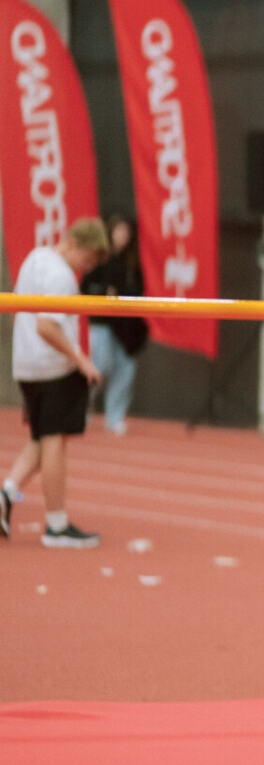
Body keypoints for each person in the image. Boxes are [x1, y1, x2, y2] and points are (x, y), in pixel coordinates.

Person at [1, 218, 109, 547]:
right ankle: (56, 524)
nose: (86, 269)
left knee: (41, 436)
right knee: (53, 441)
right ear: (74, 244)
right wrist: (80, 359)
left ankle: (6, 493)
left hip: (26, 365)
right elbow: (47, 327)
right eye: (87, 260)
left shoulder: (35, 258)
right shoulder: (61, 276)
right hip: (51, 368)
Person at [80, 216, 149, 436]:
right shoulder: (100, 260)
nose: (122, 236)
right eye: (119, 231)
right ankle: (81, 408)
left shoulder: (132, 262)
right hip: (103, 323)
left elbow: (140, 290)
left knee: (125, 371)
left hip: (126, 327)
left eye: (126, 232)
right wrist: (104, 293)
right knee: (99, 366)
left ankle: (115, 417)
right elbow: (85, 286)